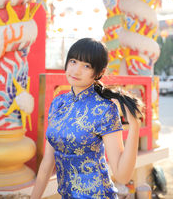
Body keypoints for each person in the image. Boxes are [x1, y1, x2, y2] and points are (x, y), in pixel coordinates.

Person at [31, 38, 142, 199]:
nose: (76, 71)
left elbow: (122, 176)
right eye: (73, 61)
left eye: (86, 66)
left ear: (100, 72)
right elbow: (47, 162)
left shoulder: (104, 109)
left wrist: (134, 127)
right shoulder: (58, 103)